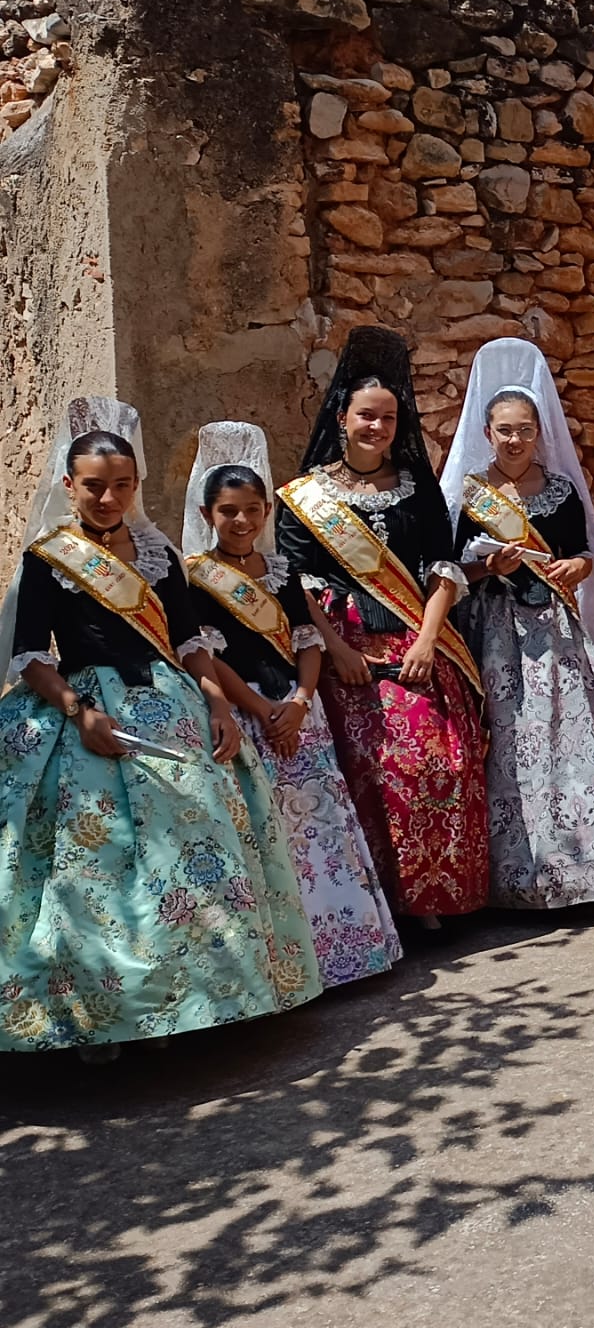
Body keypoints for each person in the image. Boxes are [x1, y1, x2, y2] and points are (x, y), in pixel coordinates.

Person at [0, 398, 321, 1058]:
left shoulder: (159, 555)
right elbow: (31, 653)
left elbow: (191, 640)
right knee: (97, 864)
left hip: (171, 706)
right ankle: (102, 1015)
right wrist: (77, 712)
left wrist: (217, 705)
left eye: (122, 485)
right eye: (95, 485)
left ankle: (188, 1001)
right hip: (91, 709)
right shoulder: (48, 559)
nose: (110, 496)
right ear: (70, 487)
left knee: (194, 856)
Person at [277, 327, 490, 924]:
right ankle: (377, 905)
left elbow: (443, 570)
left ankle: (431, 898)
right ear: (342, 418)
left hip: (415, 640)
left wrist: (427, 641)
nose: (377, 427)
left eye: (389, 419)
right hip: (341, 648)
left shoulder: (417, 490)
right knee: (369, 762)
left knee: (438, 756)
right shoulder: (304, 498)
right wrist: (337, 648)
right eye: (366, 416)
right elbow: (294, 584)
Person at [183, 422, 402, 985]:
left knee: (326, 828)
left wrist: (302, 699)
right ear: (208, 514)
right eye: (229, 510)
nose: (242, 521)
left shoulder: (280, 575)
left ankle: (353, 950)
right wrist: (261, 709)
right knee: (274, 836)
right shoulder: (197, 580)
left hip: (301, 715)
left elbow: (308, 642)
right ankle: (297, 963)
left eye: (253, 509)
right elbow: (208, 655)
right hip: (255, 716)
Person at [444, 339, 594, 911]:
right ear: (488, 433)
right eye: (504, 430)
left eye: (525, 429)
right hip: (494, 634)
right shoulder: (468, 495)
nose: (515, 440)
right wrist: (488, 566)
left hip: (554, 629)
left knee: (569, 738)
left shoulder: (559, 492)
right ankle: (514, 881)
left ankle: (591, 876)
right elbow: (452, 570)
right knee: (509, 741)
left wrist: (574, 565)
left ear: (540, 432)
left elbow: (586, 554)